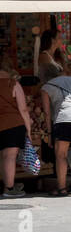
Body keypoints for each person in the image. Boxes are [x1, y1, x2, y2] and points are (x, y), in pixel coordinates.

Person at [0, 56, 33, 198]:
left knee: (2, 157)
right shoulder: (13, 84)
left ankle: (8, 185)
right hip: (13, 124)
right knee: (10, 157)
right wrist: (28, 128)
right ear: (10, 69)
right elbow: (23, 109)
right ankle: (9, 188)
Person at [41, 65, 71, 195]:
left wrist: (49, 133)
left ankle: (62, 188)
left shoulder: (46, 87)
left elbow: (47, 113)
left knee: (61, 155)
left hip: (63, 119)